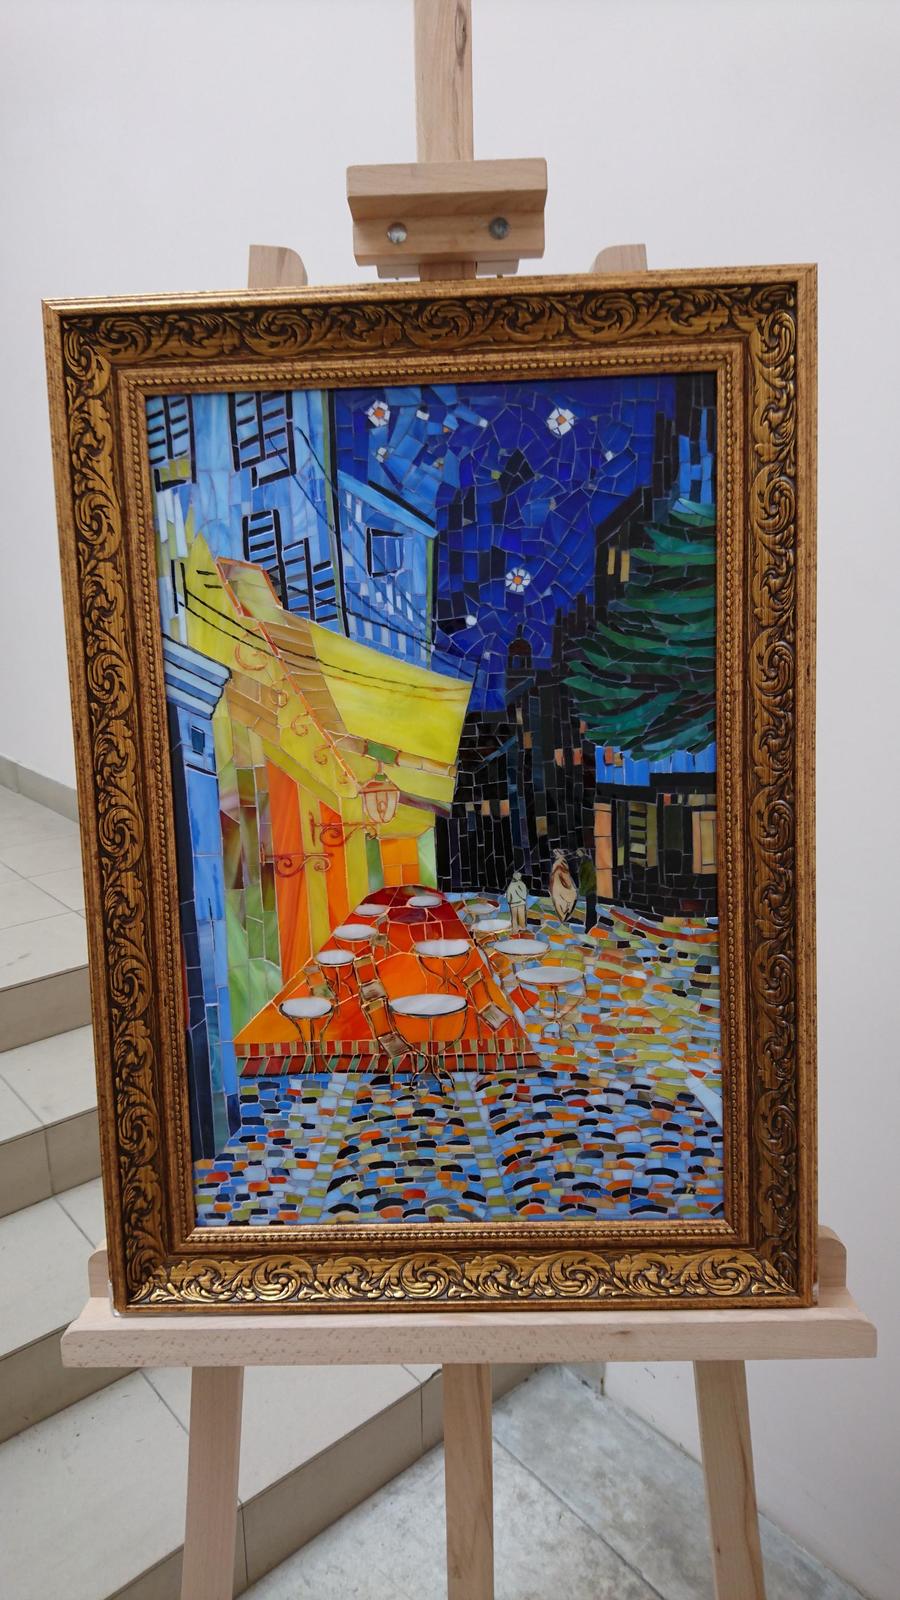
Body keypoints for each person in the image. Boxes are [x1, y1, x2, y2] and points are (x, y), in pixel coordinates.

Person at [548, 849, 577, 922]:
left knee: (559, 899)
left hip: (559, 884)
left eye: (556, 853)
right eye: (555, 853)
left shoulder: (560, 861)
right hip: (556, 884)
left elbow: (564, 873)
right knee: (558, 899)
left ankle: (563, 916)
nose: (555, 854)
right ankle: (563, 916)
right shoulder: (560, 861)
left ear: (560, 853)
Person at [578, 848, 598, 932]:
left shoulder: (588, 863)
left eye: (579, 852)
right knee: (590, 909)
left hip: (590, 890)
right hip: (588, 889)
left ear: (583, 852)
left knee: (591, 909)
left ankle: (590, 928)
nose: (578, 854)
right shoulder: (583, 862)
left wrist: (585, 889)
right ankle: (590, 927)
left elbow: (591, 879)